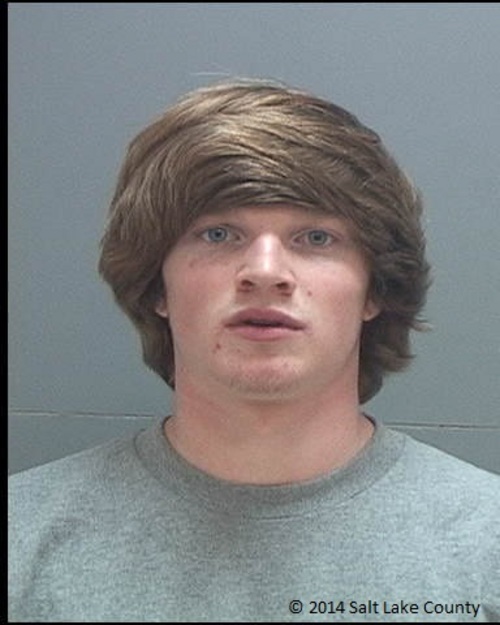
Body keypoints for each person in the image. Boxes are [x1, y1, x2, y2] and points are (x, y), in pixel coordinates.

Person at [8, 78, 499, 623]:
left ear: (375, 290)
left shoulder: (486, 548)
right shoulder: (21, 539)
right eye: (219, 234)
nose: (265, 272)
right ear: (156, 286)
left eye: (316, 238)